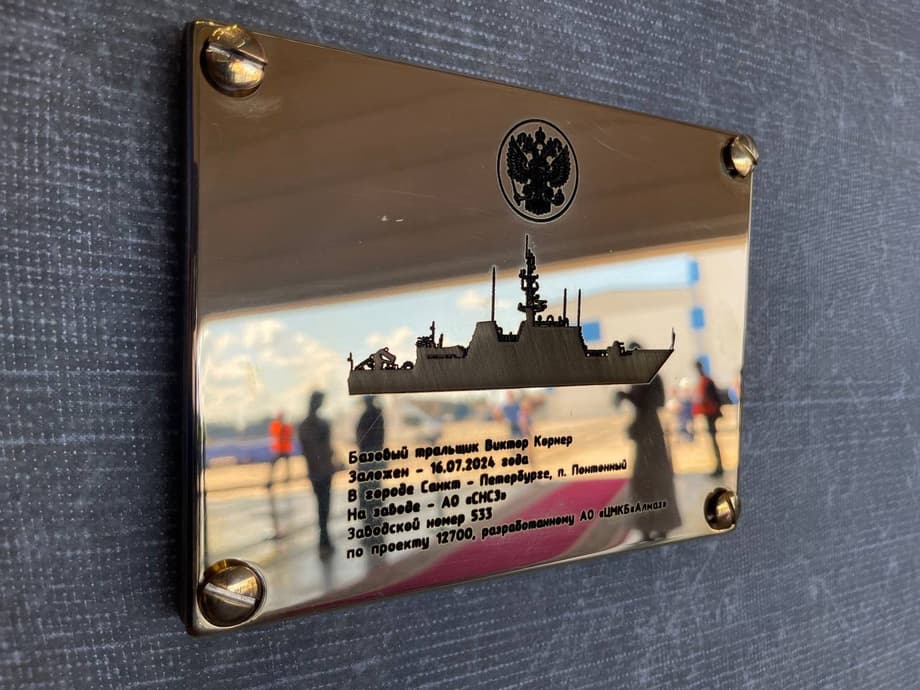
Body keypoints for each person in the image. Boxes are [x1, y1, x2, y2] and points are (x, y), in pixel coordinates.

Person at [616, 366, 682, 542]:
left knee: (656, 477)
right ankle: (645, 528)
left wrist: (631, 397)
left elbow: (658, 401)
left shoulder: (653, 377)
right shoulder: (640, 377)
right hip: (645, 430)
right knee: (642, 479)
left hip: (651, 431)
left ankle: (661, 526)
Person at [298, 392, 337, 558]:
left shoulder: (307, 425)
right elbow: (315, 451)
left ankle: (324, 538)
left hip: (319, 472)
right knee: (323, 507)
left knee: (323, 507)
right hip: (321, 472)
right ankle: (324, 539)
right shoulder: (315, 424)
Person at [356, 396, 385, 549]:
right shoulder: (377, 416)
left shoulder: (368, 416)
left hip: (368, 462)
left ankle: (372, 533)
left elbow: (361, 438)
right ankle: (375, 533)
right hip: (373, 460)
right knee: (374, 499)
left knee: (368, 500)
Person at [693, 360, 724, 476]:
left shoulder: (707, 381)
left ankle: (719, 467)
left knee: (714, 441)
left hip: (711, 414)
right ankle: (718, 466)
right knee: (713, 441)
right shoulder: (704, 381)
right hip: (709, 414)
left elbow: (714, 398)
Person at [267, 412, 294, 485]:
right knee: (274, 463)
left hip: (284, 449)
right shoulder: (276, 425)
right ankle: (271, 478)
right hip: (279, 449)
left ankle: (288, 477)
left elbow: (289, 435)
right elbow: (275, 433)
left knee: (287, 463)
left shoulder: (286, 426)